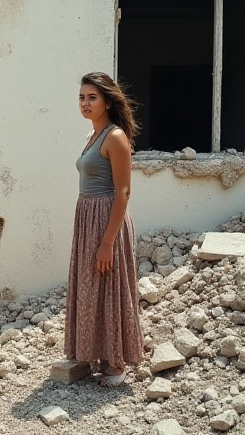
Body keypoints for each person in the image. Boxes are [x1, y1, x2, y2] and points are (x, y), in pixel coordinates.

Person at [63, 71, 143, 388]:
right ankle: (94, 353)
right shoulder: (92, 136)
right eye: (82, 97)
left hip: (107, 217)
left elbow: (123, 191)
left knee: (110, 288)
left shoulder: (115, 137)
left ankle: (117, 364)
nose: (85, 103)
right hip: (88, 217)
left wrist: (108, 241)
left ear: (107, 102)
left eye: (92, 97)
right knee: (92, 286)